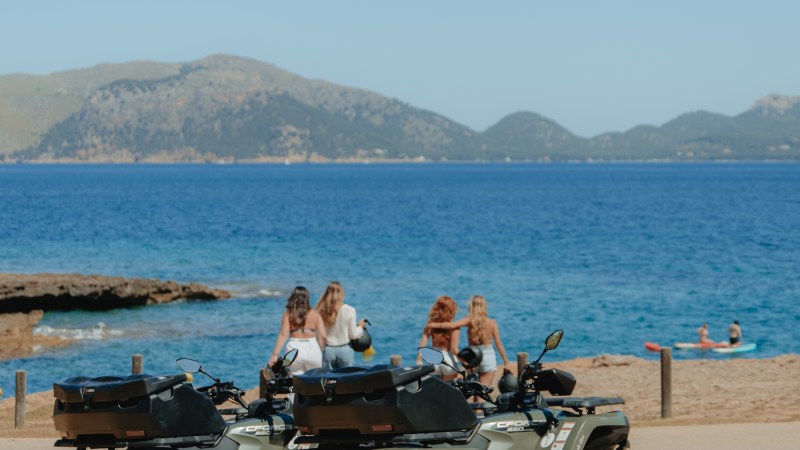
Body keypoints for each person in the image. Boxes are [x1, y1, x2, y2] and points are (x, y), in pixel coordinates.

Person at [426, 295, 510, 388]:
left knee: (474, 391)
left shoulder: (469, 320)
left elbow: (451, 325)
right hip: (488, 356)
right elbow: (498, 344)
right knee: (483, 392)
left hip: (473, 356)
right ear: (485, 306)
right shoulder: (492, 322)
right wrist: (506, 362)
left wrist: (434, 324)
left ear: (471, 306)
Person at [268, 286, 326, 375]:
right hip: (312, 347)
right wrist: (320, 349)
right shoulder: (315, 314)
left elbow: (283, 334)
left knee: (295, 382)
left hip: (294, 349)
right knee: (314, 381)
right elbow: (323, 336)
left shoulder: (288, 314)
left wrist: (274, 355)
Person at [314, 281, 367, 369]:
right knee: (347, 381)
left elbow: (318, 335)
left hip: (328, 351)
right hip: (345, 351)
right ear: (341, 294)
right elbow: (353, 335)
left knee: (328, 381)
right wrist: (360, 327)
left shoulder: (321, 311)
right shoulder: (350, 310)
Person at [416, 295, 461, 381]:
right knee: (449, 390)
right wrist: (464, 362)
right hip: (448, 361)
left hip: (433, 360)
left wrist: (419, 361)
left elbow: (422, 344)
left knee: (436, 391)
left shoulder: (430, 325)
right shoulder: (454, 328)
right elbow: (454, 349)